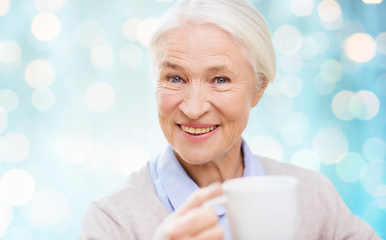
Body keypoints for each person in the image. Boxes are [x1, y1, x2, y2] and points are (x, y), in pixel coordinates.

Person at [81, 0, 380, 239]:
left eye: (220, 79)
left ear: (258, 89)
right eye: (174, 78)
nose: (194, 109)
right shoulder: (112, 222)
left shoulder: (313, 198)